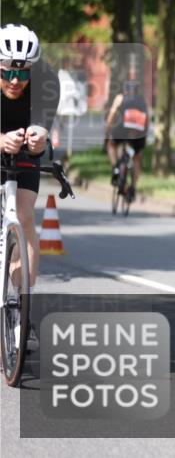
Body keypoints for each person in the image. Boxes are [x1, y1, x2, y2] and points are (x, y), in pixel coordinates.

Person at [0, 23, 61, 349]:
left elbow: (43, 127)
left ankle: (23, 305)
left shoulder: (47, 80)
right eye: (8, 73)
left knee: (24, 214)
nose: (14, 81)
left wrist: (38, 138)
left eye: (22, 75)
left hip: (23, 149)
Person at [105, 78, 149, 200]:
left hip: (123, 128)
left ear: (125, 90)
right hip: (138, 131)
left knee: (111, 144)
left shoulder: (120, 98)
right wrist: (144, 133)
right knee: (137, 157)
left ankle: (115, 168)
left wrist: (108, 127)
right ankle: (133, 187)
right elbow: (147, 119)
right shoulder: (143, 100)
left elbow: (113, 112)